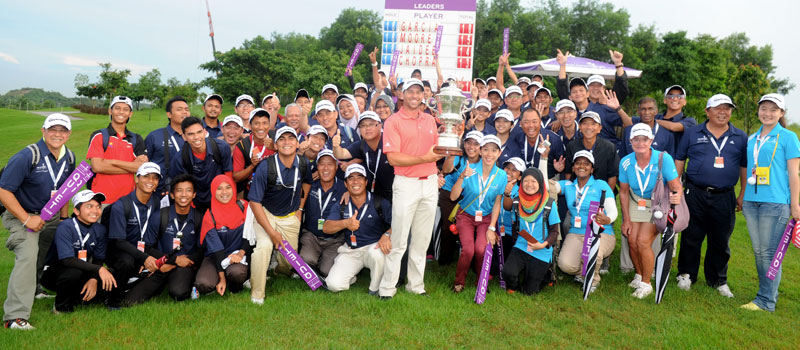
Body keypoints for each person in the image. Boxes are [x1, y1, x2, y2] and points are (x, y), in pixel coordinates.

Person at [0, 114, 75, 329]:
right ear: (43, 130)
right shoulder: (27, 156)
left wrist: (63, 219)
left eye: (62, 131)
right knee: (28, 256)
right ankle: (15, 317)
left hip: (48, 216)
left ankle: (36, 289)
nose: (57, 134)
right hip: (20, 215)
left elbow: (65, 191)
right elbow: (3, 191)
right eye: (53, 129)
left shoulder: (69, 157)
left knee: (45, 253)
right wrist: (26, 219)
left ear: (68, 134)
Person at [674, 94, 747, 298]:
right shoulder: (692, 132)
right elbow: (680, 159)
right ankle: (686, 274)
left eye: (727, 108)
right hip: (694, 191)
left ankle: (717, 279)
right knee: (691, 235)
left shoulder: (740, 137)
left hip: (725, 195)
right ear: (707, 111)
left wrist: (741, 194)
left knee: (720, 239)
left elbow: (744, 166)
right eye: (718, 108)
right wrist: (676, 189)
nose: (723, 112)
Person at [379, 78, 446, 299]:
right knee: (399, 240)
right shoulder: (393, 121)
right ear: (401, 94)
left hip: (429, 183)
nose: (415, 95)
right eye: (410, 91)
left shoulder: (430, 120)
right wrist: (424, 158)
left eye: (419, 92)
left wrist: (454, 134)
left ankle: (415, 286)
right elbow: (393, 158)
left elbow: (441, 149)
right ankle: (387, 288)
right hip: (406, 184)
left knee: (422, 239)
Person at [741, 93, 800, 312]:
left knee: (768, 253)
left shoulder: (788, 137)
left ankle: (766, 301)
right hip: (751, 202)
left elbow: (794, 174)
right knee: (760, 251)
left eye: (773, 110)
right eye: (764, 108)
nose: (768, 113)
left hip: (775, 203)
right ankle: (765, 296)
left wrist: (795, 205)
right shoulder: (752, 138)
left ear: (781, 113)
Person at [248, 126, 312, 304]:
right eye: (282, 139)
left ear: (297, 143)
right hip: (265, 214)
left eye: (291, 138)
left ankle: (275, 269)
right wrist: (271, 232)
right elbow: (255, 202)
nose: (287, 142)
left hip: (290, 217)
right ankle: (257, 294)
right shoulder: (265, 167)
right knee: (264, 247)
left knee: (289, 264)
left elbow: (307, 183)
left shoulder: (304, 163)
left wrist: (300, 209)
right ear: (275, 145)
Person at [619, 124, 682, 298]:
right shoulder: (625, 162)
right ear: (630, 141)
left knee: (642, 241)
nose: (640, 143)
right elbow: (623, 192)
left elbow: (676, 186)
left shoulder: (663, 159)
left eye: (644, 139)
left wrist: (676, 197)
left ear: (651, 140)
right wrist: (626, 219)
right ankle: (639, 274)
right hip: (636, 201)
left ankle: (647, 284)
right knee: (631, 239)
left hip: (658, 204)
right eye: (636, 139)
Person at [122, 174, 204, 305]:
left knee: (178, 293)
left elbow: (202, 250)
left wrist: (180, 263)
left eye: (188, 190)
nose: (184, 195)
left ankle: (185, 282)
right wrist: (173, 261)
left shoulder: (199, 217)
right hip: (161, 265)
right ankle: (160, 286)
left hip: (185, 266)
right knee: (130, 301)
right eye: (179, 190)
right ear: (172, 195)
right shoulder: (160, 216)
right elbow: (148, 247)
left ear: (194, 194)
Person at [42, 190, 117, 313]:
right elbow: (67, 260)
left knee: (110, 278)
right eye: (89, 206)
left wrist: (93, 279)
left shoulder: (101, 229)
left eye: (98, 207)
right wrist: (99, 270)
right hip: (56, 272)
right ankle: (60, 307)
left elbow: (98, 259)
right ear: (76, 211)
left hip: (83, 270)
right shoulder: (65, 227)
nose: (95, 210)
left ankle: (77, 298)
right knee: (73, 273)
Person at [449, 135, 507, 293]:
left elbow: (497, 203)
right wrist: (462, 176)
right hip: (466, 215)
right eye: (486, 149)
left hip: (486, 218)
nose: (490, 154)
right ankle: (459, 281)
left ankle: (480, 282)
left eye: (494, 150)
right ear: (480, 151)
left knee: (481, 250)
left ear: (499, 153)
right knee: (468, 250)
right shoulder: (470, 170)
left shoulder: (501, 175)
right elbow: (453, 197)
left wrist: (492, 228)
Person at [554, 151, 617, 293]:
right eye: (578, 163)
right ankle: (582, 272)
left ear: (592, 169)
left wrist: (608, 219)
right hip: (576, 232)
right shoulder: (568, 185)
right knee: (565, 265)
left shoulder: (601, 185)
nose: (582, 166)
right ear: (573, 167)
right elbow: (543, 185)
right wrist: (544, 157)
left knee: (592, 253)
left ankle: (592, 280)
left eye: (586, 163)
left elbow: (613, 210)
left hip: (601, 233)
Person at [324, 164, 393, 293]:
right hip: (351, 250)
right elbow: (326, 227)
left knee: (377, 254)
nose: (355, 181)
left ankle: (375, 288)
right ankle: (351, 276)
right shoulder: (342, 205)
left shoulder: (379, 202)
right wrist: (345, 223)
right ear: (345, 184)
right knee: (333, 285)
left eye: (360, 177)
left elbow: (397, 224)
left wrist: (387, 234)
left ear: (366, 182)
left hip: (374, 247)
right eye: (350, 178)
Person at [106, 162, 163, 309]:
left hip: (144, 247)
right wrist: (144, 258)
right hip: (121, 249)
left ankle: (136, 287)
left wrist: (148, 256)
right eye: (146, 176)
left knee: (166, 259)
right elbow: (118, 241)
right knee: (127, 262)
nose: (151, 181)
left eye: (155, 178)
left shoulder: (156, 202)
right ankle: (113, 300)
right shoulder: (121, 205)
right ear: (136, 179)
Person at [554, 49, 632, 151]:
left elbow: (628, 124)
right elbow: (562, 89)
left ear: (587, 93)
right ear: (570, 96)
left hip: (608, 154)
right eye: (574, 92)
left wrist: (618, 65)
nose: (578, 94)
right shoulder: (571, 114)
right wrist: (562, 66)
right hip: (584, 158)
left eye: (581, 90)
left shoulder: (604, 108)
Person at [501, 168, 561, 295]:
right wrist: (515, 249)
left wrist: (543, 245)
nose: (529, 184)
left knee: (529, 292)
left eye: (533, 181)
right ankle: (514, 284)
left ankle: (546, 274)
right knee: (507, 272)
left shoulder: (549, 204)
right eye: (526, 181)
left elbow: (555, 232)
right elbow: (514, 224)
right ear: (521, 183)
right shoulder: (517, 201)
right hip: (522, 246)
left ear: (540, 183)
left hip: (541, 249)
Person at [87, 96, 148, 206]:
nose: (121, 112)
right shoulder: (99, 135)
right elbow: (97, 167)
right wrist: (131, 167)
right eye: (117, 108)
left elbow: (142, 168)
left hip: (128, 201)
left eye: (125, 109)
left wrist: (112, 162)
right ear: (110, 111)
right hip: (101, 201)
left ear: (130, 114)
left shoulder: (136, 139)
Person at [195, 175, 250, 296]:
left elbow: (251, 235)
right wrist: (222, 279)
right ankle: (222, 277)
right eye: (219, 188)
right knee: (203, 283)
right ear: (213, 191)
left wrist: (240, 253)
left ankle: (236, 283)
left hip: (238, 255)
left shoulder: (244, 207)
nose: (224, 192)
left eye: (228, 187)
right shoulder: (209, 215)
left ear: (234, 189)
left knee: (237, 273)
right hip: (215, 257)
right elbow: (217, 250)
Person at [438, 131, 483, 265]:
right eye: (468, 142)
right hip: (450, 194)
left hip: (470, 197)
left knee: (471, 227)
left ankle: (470, 260)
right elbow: (446, 170)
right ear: (464, 144)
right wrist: (453, 151)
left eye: (476, 144)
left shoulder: (483, 162)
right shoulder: (458, 157)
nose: (471, 147)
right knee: (449, 227)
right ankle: (445, 260)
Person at [169, 117, 232, 214]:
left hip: (219, 197)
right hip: (195, 201)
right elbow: (181, 184)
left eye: (199, 132)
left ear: (205, 132)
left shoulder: (221, 147)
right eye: (191, 134)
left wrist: (228, 199)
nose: (196, 137)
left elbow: (228, 174)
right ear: (184, 137)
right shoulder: (180, 158)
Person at [299, 150, 346, 277]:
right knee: (304, 263)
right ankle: (314, 259)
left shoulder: (344, 188)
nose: (325, 168)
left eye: (330, 164)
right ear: (317, 167)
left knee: (327, 272)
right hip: (312, 236)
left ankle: (322, 262)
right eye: (322, 164)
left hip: (334, 239)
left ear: (336, 167)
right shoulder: (309, 186)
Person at [332, 111, 394, 199]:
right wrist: (336, 146)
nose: (367, 128)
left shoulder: (390, 141)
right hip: (375, 194)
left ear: (380, 125)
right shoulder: (360, 145)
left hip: (396, 192)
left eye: (371, 124)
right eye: (363, 125)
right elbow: (340, 154)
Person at [564, 112, 619, 187]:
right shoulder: (572, 146)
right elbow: (568, 172)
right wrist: (570, 192)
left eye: (593, 124)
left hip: (601, 192)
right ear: (579, 127)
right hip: (577, 192)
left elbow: (612, 176)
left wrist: (606, 196)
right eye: (585, 123)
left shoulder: (609, 147)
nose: (589, 127)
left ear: (600, 128)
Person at [233, 109, 275, 198]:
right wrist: (252, 166)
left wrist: (275, 148)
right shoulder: (242, 145)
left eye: (264, 123)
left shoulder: (276, 138)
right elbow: (236, 177)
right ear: (250, 126)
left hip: (275, 191)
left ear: (269, 125)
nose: (261, 127)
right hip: (252, 192)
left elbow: (292, 159)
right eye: (256, 123)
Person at [516, 108, 565, 176]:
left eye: (534, 121)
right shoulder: (517, 138)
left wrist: (559, 168)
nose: (531, 125)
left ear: (540, 122)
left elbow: (562, 165)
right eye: (526, 122)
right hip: (524, 181)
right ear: (521, 123)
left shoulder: (554, 139)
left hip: (549, 180)